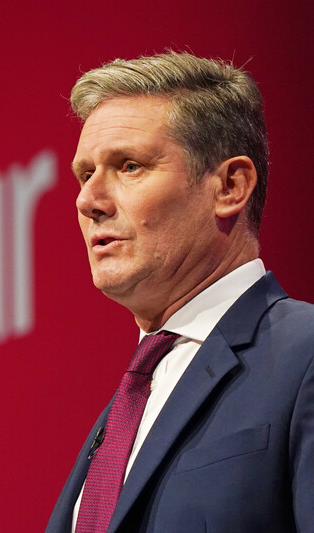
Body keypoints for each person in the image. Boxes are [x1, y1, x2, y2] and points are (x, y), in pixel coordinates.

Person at [45, 52, 314, 533]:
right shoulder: (130, 403)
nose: (88, 200)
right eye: (85, 175)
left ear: (229, 186)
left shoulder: (304, 355)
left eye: (129, 166)